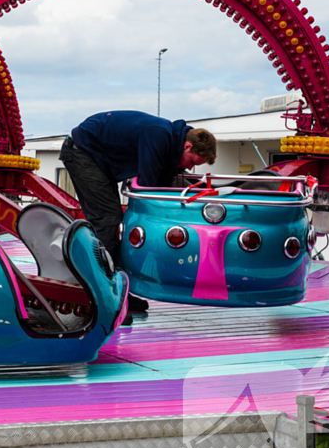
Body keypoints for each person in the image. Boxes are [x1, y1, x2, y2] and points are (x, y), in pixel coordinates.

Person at [60, 110, 217, 311]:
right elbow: (147, 186)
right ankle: (102, 298)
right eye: (192, 162)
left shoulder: (169, 143)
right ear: (187, 146)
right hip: (82, 151)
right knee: (108, 221)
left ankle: (119, 292)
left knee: (115, 224)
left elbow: (162, 183)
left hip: (99, 158)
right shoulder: (159, 135)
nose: (189, 168)